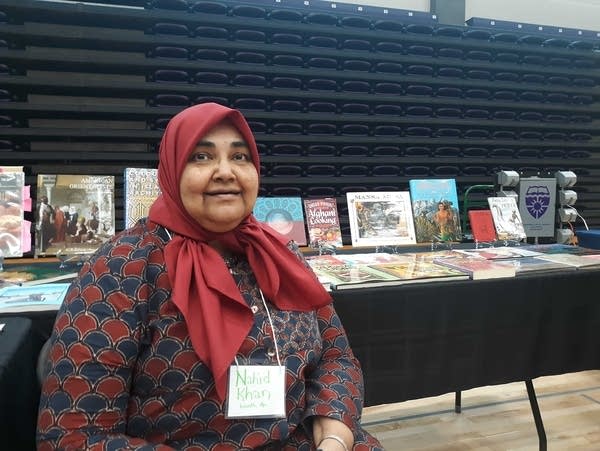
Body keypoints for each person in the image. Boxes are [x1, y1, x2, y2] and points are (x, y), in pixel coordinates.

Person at [37, 102, 383, 450]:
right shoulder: (122, 269)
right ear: (172, 170)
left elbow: (336, 357)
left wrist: (335, 439)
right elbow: (74, 437)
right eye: (201, 157)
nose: (225, 172)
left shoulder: (280, 253)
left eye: (240, 157)